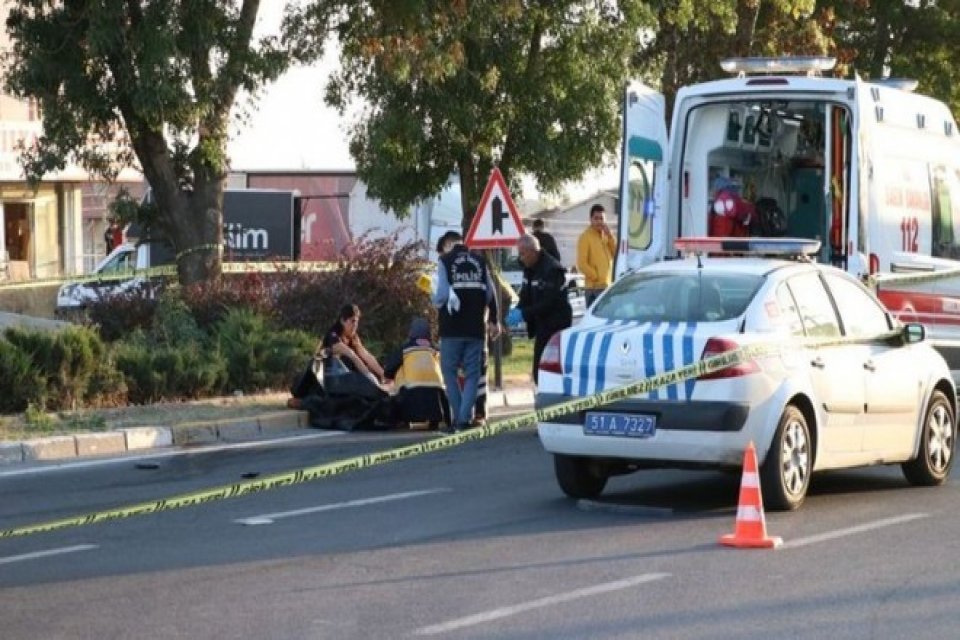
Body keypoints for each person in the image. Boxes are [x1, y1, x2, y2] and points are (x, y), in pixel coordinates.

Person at [432, 231, 500, 433]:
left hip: (451, 329)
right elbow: (490, 293)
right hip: (475, 328)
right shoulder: (480, 262)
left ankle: (459, 419)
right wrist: (494, 319)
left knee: (449, 373)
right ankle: (464, 419)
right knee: (472, 375)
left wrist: (433, 300)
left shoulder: (445, 261)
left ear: (450, 245)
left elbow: (442, 294)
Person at [516, 234, 572, 383]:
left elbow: (549, 302)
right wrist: (517, 310)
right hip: (542, 324)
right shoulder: (529, 268)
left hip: (557, 325)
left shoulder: (552, 269)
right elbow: (525, 295)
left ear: (533, 251)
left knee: (551, 370)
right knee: (538, 370)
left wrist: (524, 313)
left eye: (522, 254)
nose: (520, 258)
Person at [382, 317, 451, 429]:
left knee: (401, 370)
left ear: (411, 333)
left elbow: (389, 369)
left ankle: (402, 420)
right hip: (436, 399)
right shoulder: (435, 350)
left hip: (410, 397)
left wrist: (388, 377)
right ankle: (436, 420)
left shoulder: (405, 349)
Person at [319, 303, 385, 388]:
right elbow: (352, 356)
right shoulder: (333, 336)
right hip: (332, 377)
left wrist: (384, 375)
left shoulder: (353, 336)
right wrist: (371, 379)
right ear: (343, 321)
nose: (355, 325)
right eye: (352, 321)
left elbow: (366, 355)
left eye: (357, 321)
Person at [576, 204, 617, 306]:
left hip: (607, 286)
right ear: (591, 219)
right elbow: (581, 264)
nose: (599, 221)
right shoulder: (585, 237)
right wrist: (596, 276)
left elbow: (616, 254)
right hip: (594, 288)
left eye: (601, 218)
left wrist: (610, 236)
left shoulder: (605, 236)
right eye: (596, 218)